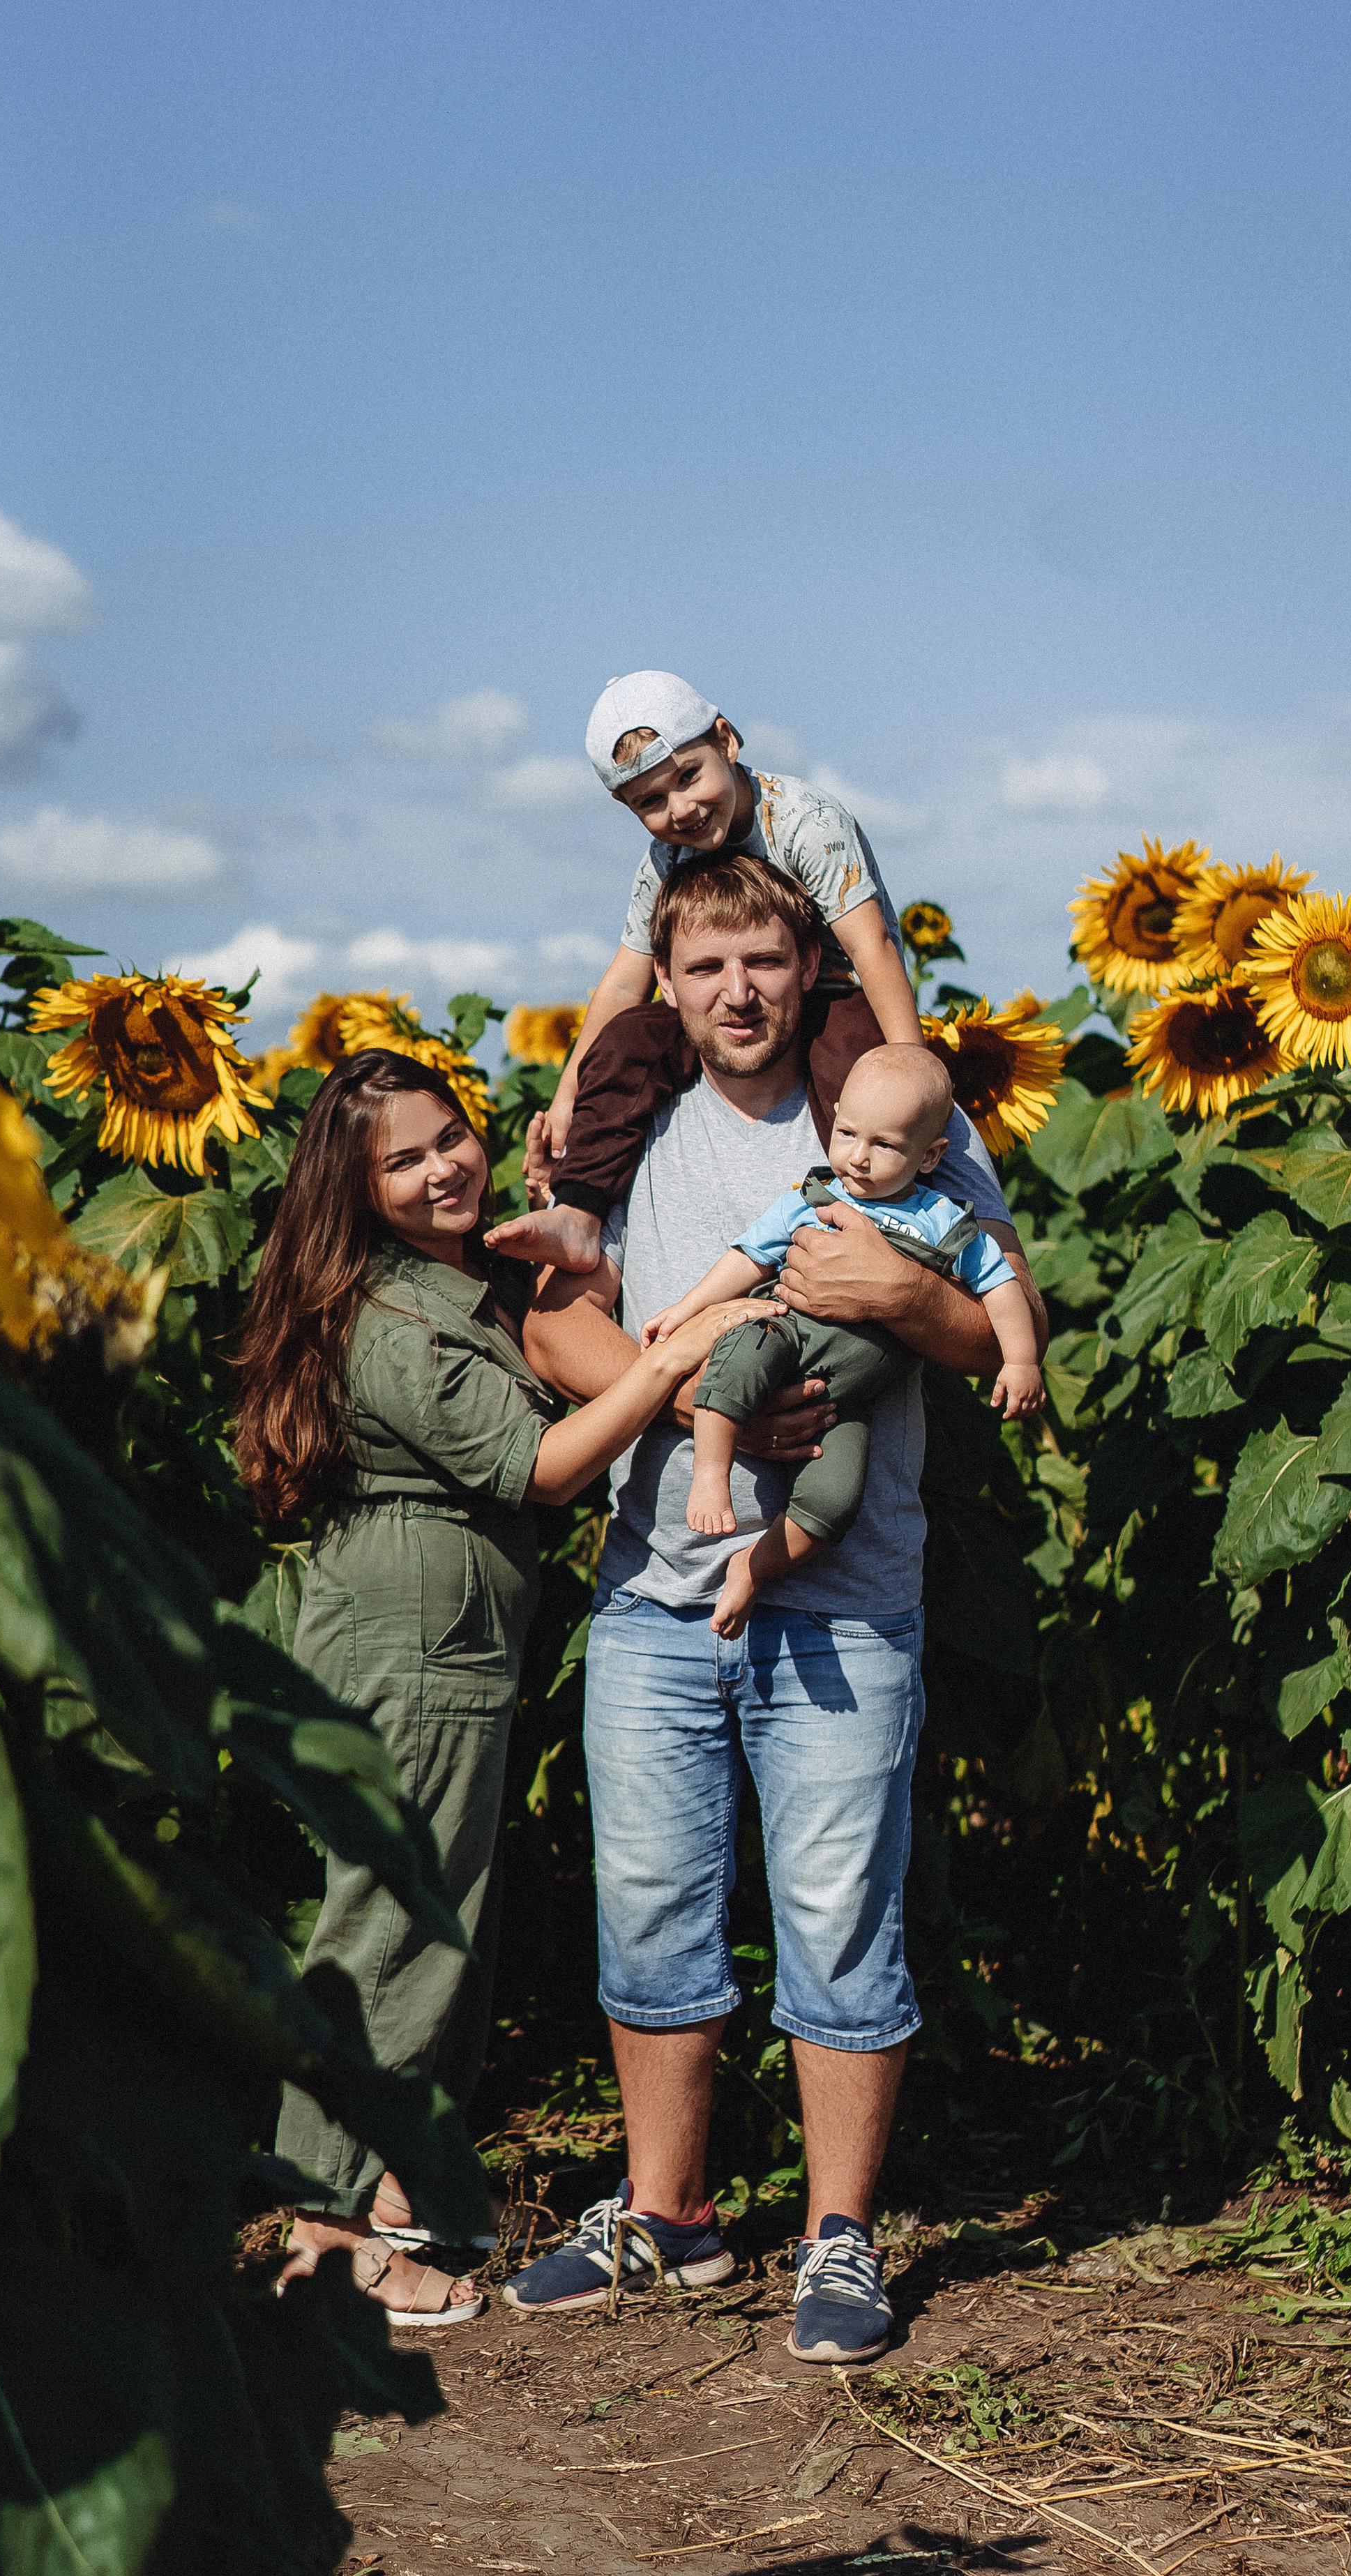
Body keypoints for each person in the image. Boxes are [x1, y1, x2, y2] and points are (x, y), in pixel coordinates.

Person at [501, 855, 1047, 2362]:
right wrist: (681, 1376)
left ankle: (836, 2236)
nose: (734, 991)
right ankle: (667, 2211)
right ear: (666, 983)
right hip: (655, 1591)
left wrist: (885, 1292)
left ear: (802, 966)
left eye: (761, 961)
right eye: (703, 968)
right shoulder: (623, 1124)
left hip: (845, 1595)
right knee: (655, 1904)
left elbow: (996, 1315)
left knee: (834, 1911)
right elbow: (550, 1313)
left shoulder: (890, 1105)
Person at [229, 1048, 780, 2329]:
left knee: (428, 1918)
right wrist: (671, 1360)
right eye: (404, 1160)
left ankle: (370, 2197)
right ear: (354, 1188)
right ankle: (324, 2234)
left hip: (436, 1636)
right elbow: (538, 1466)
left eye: (451, 1136)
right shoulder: (393, 1318)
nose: (442, 1169)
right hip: (410, 1647)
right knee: (393, 1929)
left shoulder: (443, 1282)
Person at [485, 670, 926, 1277]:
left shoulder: (805, 823)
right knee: (629, 1042)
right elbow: (623, 981)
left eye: (689, 777)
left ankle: (883, 1221)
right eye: (651, 801)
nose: (682, 809)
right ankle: (580, 1211)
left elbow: (872, 945)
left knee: (859, 1076)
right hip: (721, 1005)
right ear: (625, 805)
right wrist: (568, 1093)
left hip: (833, 990)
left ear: (727, 740)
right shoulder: (665, 859)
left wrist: (913, 1070)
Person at [645, 1043, 1046, 1638]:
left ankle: (753, 1567)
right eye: (848, 1132)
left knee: (834, 1504)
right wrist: (686, 1307)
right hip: (784, 1329)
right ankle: (711, 1470)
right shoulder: (815, 1198)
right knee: (740, 1359)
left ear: (931, 1155)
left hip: (846, 1401)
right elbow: (748, 1258)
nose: (857, 1157)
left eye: (884, 1145)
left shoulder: (941, 1221)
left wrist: (1021, 1359)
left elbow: (1001, 1287)